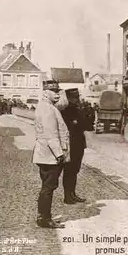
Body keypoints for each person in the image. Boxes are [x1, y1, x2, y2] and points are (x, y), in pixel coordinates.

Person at [32, 80, 69, 229]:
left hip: (46, 154)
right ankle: (45, 219)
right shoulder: (47, 109)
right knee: (48, 187)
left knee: (47, 187)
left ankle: (43, 216)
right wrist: (60, 154)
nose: (58, 95)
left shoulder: (45, 106)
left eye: (58, 91)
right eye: (54, 92)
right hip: (50, 155)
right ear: (46, 92)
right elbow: (51, 134)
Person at [60, 88, 88, 204]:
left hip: (79, 144)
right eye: (75, 97)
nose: (77, 99)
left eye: (77, 97)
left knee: (75, 170)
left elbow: (85, 125)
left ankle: (72, 193)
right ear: (69, 98)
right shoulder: (65, 111)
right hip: (71, 145)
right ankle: (67, 196)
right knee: (69, 171)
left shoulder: (78, 109)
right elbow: (70, 127)